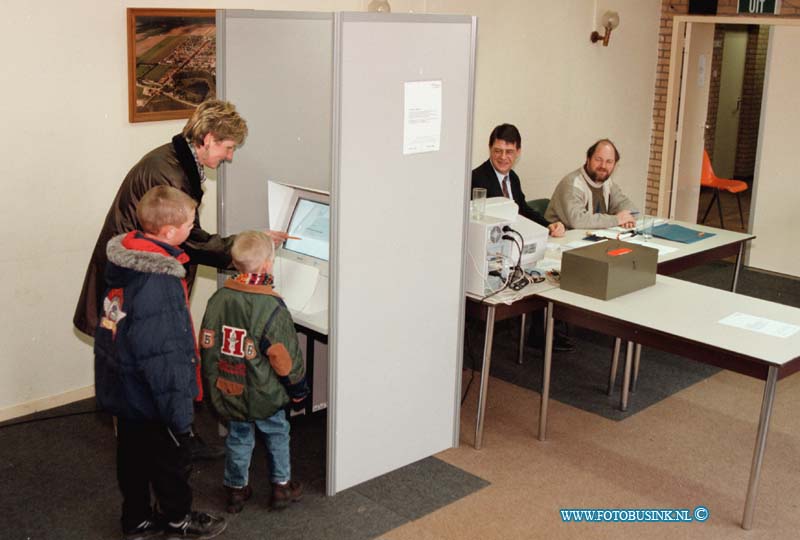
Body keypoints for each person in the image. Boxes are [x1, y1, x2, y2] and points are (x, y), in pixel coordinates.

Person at [75, 99, 249, 461]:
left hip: (138, 277)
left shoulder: (174, 160)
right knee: (154, 364)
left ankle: (170, 438)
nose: (229, 157)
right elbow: (190, 238)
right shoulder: (169, 173)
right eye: (228, 148)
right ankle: (166, 446)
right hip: (141, 281)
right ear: (210, 139)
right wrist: (245, 249)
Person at [94, 186, 227, 540]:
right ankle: (177, 520)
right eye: (190, 224)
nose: (192, 229)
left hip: (125, 387)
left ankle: (136, 520)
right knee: (172, 462)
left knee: (133, 458)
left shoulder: (125, 261)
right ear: (169, 232)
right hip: (154, 394)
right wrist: (179, 411)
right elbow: (164, 351)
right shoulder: (160, 282)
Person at [200, 231, 307, 515]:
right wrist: (298, 390)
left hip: (229, 386)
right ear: (268, 265)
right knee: (277, 434)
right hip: (265, 393)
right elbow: (285, 359)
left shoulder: (218, 299)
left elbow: (207, 344)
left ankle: (236, 490)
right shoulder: (272, 306)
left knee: (238, 437)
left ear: (235, 265)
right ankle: (281, 487)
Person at [471, 124, 565, 237]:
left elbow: (523, 210)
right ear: (490, 148)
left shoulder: (513, 177)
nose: (503, 157)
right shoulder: (476, 179)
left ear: (518, 152)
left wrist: (548, 225)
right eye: (498, 151)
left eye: (509, 152)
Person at [545, 138, 638, 229]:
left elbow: (628, 206)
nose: (603, 166)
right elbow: (578, 221)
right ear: (588, 159)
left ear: (615, 165)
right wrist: (616, 220)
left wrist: (627, 218)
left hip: (587, 239)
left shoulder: (607, 183)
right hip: (559, 240)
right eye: (598, 159)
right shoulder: (572, 183)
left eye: (609, 161)